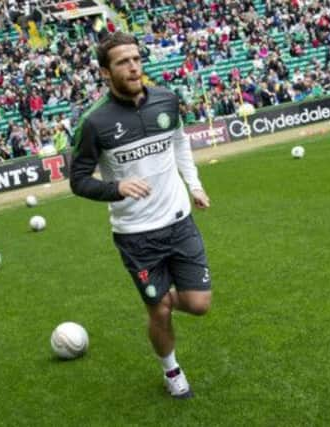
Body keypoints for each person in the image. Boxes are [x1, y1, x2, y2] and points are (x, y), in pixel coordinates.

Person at [69, 32, 212, 399]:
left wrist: (194, 185)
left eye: (136, 59)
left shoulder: (167, 100)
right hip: (136, 234)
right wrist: (115, 188)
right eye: (122, 61)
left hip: (179, 221)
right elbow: (79, 181)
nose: (133, 66)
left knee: (198, 305)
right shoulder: (94, 122)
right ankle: (172, 371)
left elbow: (180, 142)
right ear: (105, 72)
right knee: (160, 311)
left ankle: (163, 297)